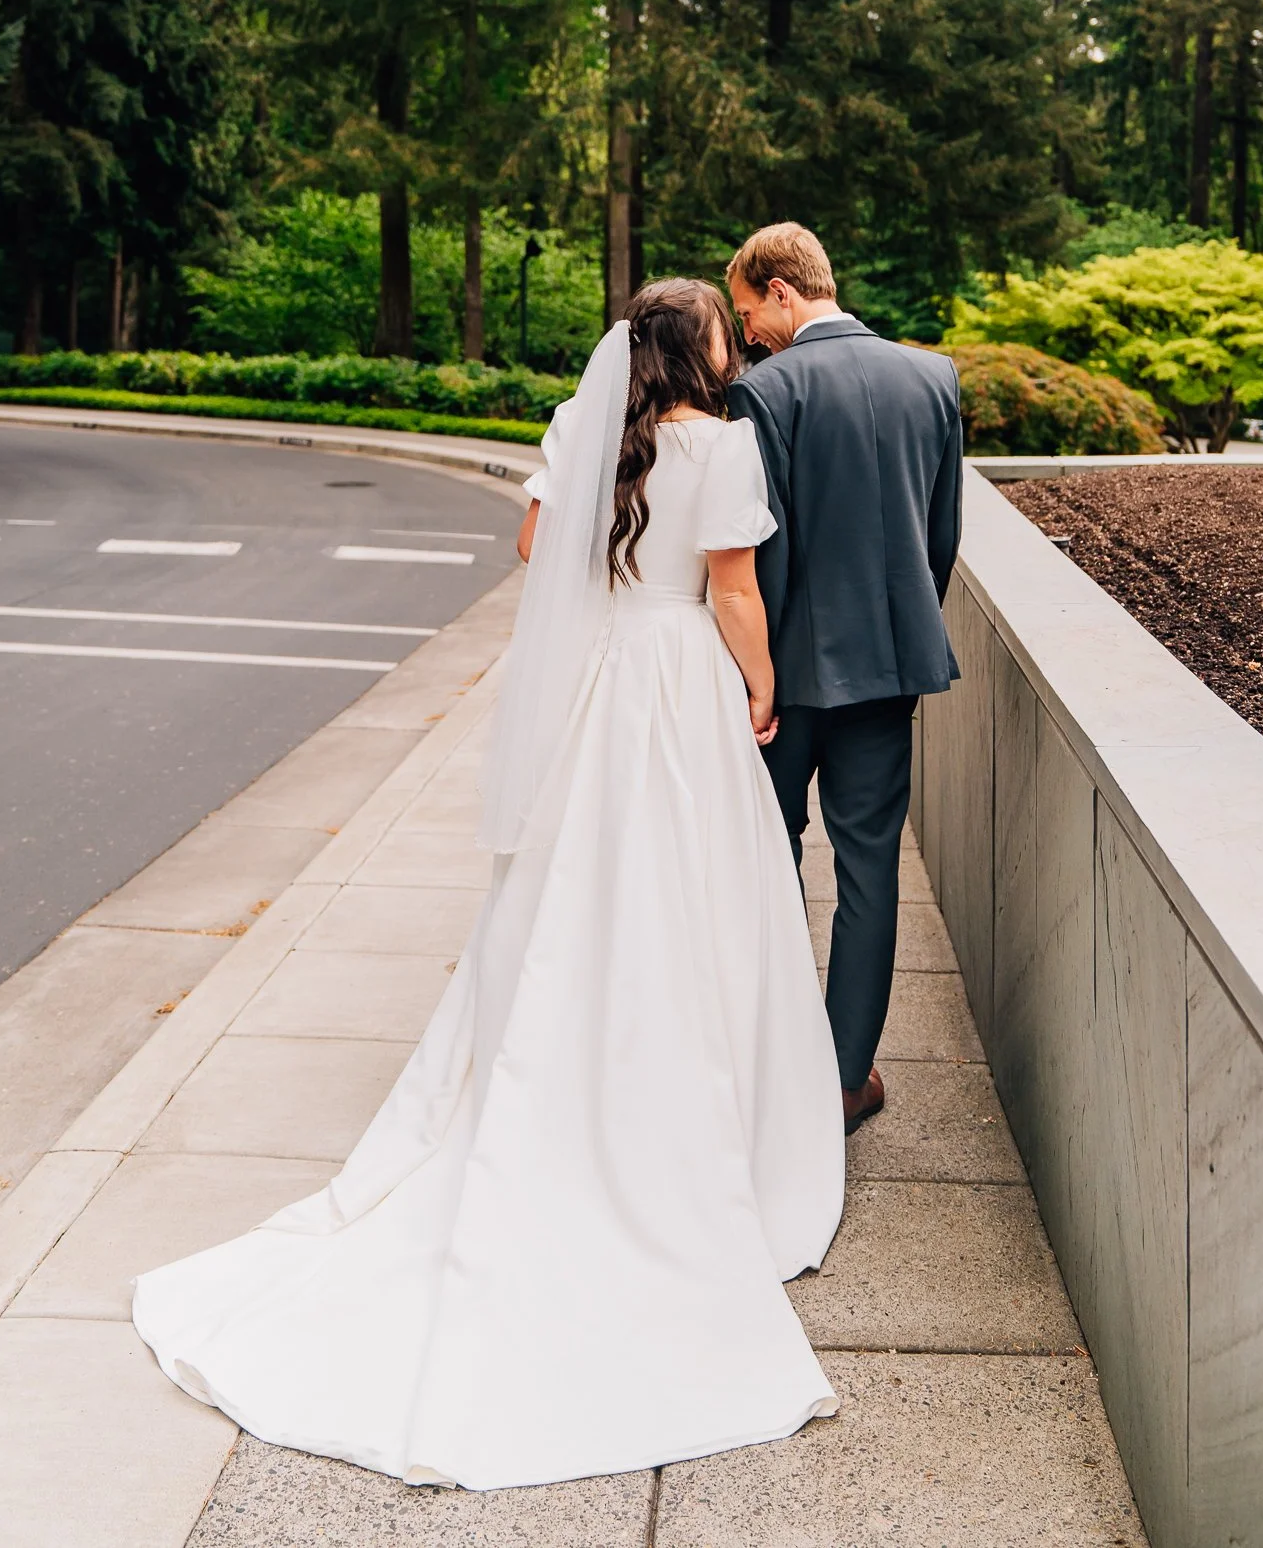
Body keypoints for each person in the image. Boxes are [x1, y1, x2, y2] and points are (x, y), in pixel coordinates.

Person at [132, 278, 844, 1491]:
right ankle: (691, 1090)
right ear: (698, 348)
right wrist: (763, 685)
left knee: (571, 882)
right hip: (676, 676)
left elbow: (534, 545)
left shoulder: (588, 432)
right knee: (695, 886)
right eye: (719, 332)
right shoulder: (721, 446)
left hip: (597, 680)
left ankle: (549, 1053)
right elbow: (731, 587)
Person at [726, 223, 962, 1136]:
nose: (747, 334)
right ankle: (844, 1078)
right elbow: (938, 535)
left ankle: (781, 1060)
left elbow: (762, 550)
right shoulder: (931, 378)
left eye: (749, 312)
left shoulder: (764, 392)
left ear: (785, 291)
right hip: (887, 671)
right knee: (869, 870)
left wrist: (758, 678)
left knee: (770, 853)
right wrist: (902, 634)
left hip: (785, 680)